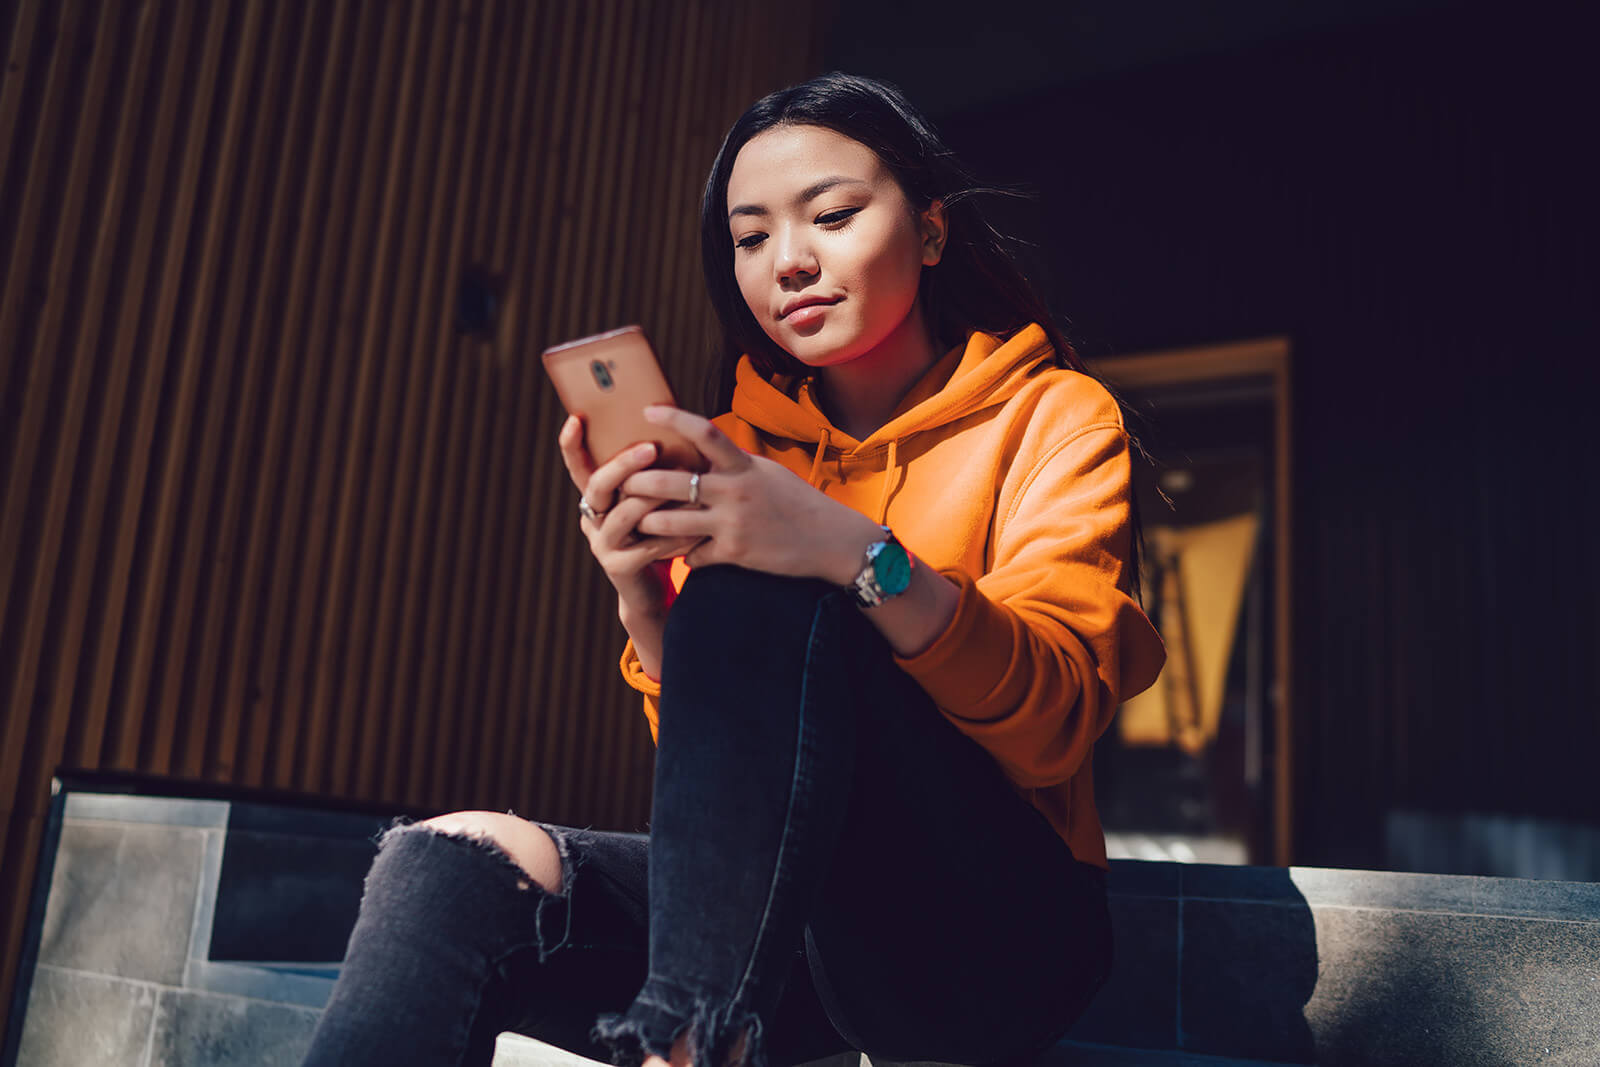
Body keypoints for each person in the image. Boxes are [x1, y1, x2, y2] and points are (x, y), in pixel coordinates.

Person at [303, 72, 1165, 1067]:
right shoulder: (741, 446)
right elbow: (729, 780)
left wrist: (847, 547)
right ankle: (695, 1027)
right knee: (446, 861)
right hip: (780, 941)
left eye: (832, 215)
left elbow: (1054, 724)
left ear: (930, 231)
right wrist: (638, 593)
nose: (788, 262)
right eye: (750, 238)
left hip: (989, 940)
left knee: (766, 582)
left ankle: (684, 1044)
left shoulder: (1053, 415)